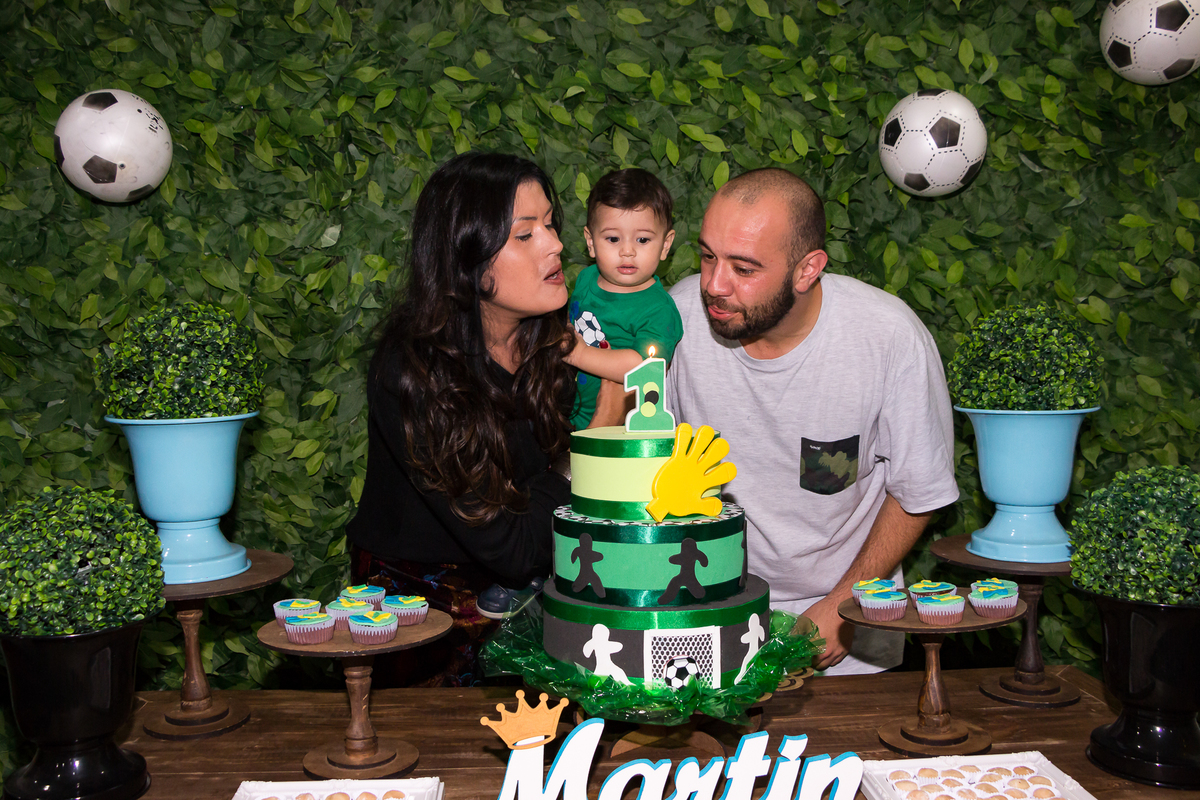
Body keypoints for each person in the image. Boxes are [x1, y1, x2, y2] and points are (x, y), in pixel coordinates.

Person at [664, 168, 959, 675]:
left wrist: (845, 603)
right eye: (708, 255)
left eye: (744, 268)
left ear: (808, 270)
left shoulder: (889, 337)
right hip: (704, 609)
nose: (714, 285)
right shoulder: (676, 318)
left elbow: (918, 492)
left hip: (847, 614)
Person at [345, 152, 575, 687]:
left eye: (550, 224)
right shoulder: (413, 374)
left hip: (531, 612)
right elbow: (514, 549)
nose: (555, 245)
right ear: (466, 261)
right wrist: (587, 450)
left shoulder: (552, 344)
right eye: (525, 234)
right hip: (419, 632)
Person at [565, 168, 684, 429]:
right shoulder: (586, 278)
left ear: (665, 245)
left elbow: (642, 366)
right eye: (613, 238)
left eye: (642, 239)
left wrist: (579, 354)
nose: (627, 251)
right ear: (591, 242)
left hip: (622, 428)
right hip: (565, 410)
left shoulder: (658, 309)